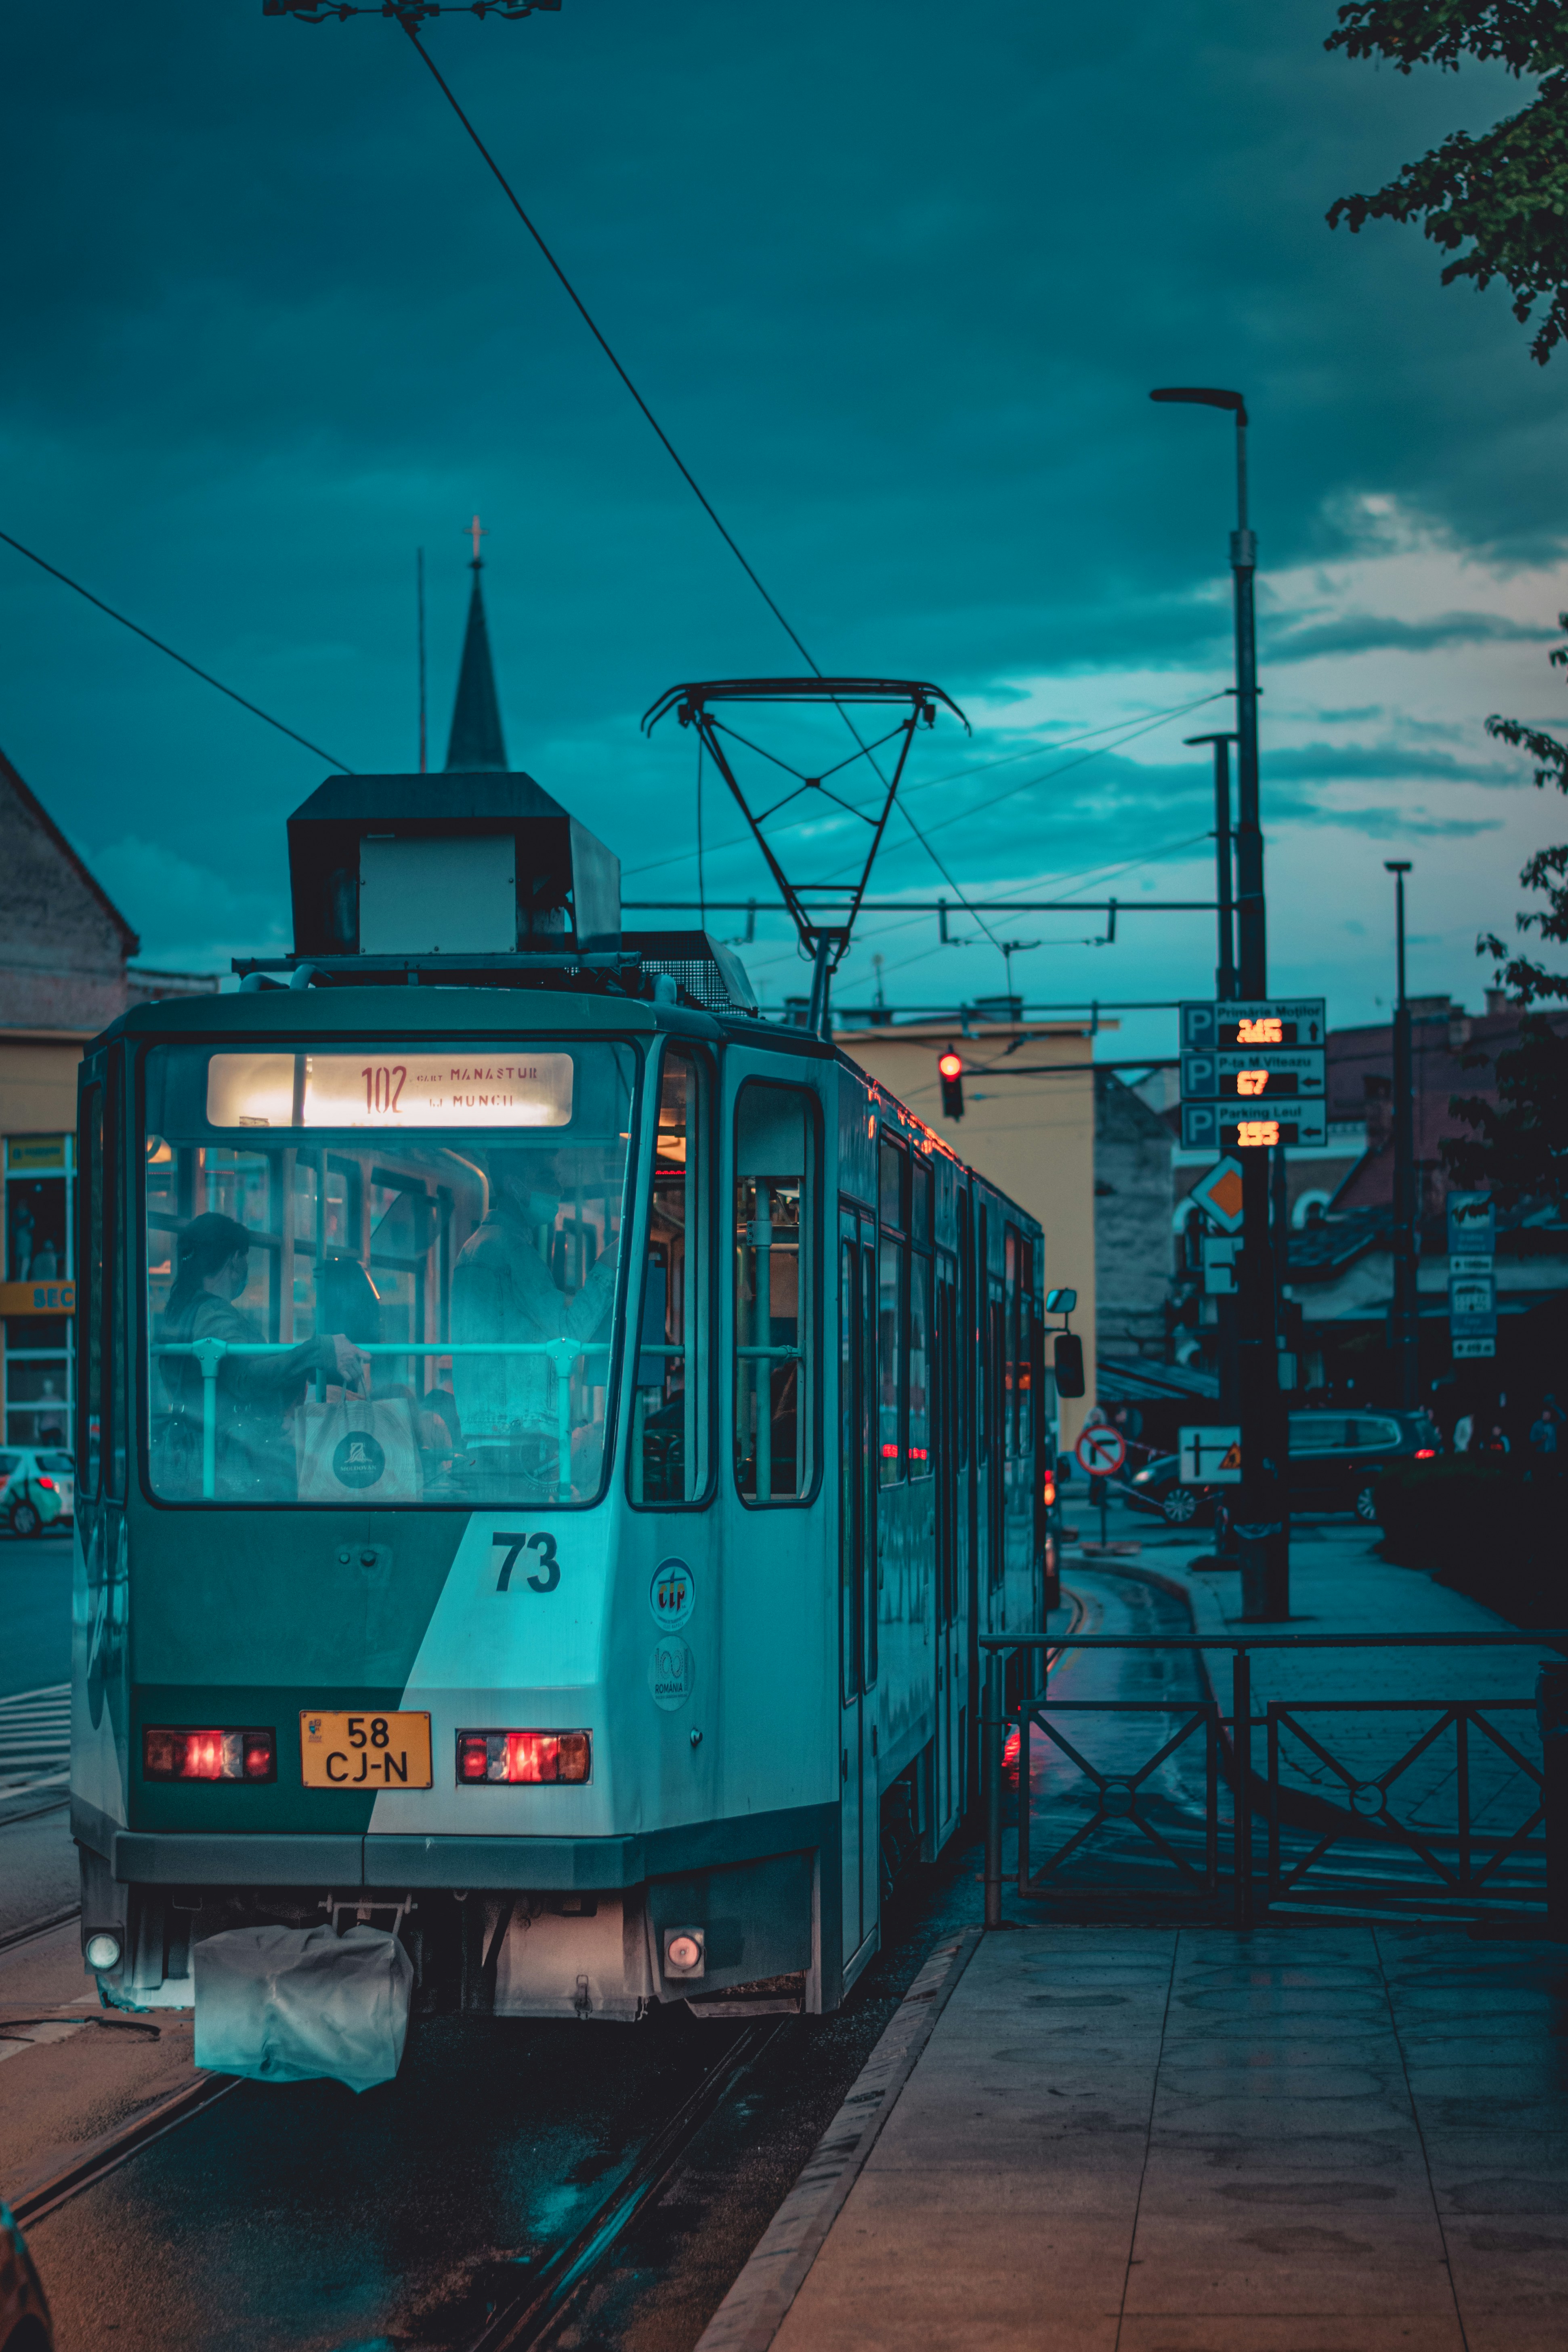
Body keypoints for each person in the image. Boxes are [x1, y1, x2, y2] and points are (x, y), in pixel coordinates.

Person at [155, 1212, 363, 1500]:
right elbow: (244, 1379)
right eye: (246, 1258)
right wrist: (319, 1350)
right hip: (232, 1462)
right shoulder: (214, 1314)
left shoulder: (181, 1312)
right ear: (234, 1260)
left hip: (197, 1451)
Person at [451, 1149, 617, 1494]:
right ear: (515, 1187)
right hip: (520, 1434)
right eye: (545, 1177)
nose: (557, 1187)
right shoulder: (512, 1250)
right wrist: (606, 1267)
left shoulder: (475, 1247)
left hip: (486, 1431)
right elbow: (569, 1331)